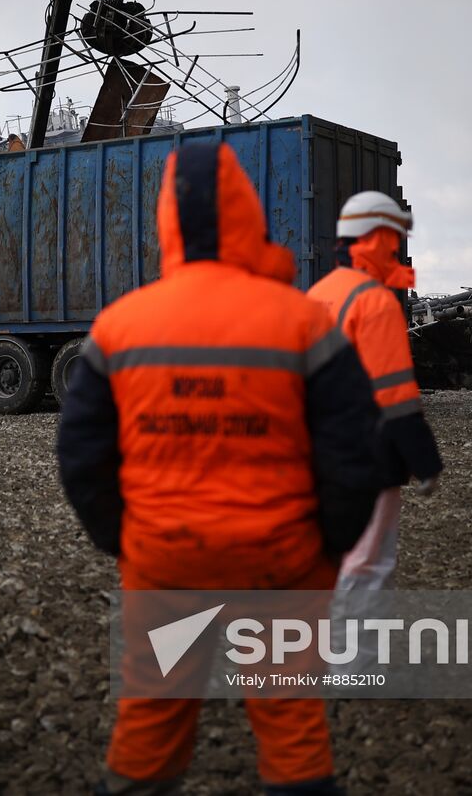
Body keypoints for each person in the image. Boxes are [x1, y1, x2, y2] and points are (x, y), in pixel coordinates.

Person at [57, 144, 384, 796]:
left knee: (151, 710)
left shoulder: (121, 326)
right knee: (291, 720)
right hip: (281, 563)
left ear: (166, 222)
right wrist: (326, 547)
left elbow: (81, 456)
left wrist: (127, 541)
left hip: (164, 563)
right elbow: (354, 450)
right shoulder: (302, 321)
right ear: (247, 211)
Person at [307, 191, 443, 671]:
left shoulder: (318, 295)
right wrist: (424, 462)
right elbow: (395, 396)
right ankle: (358, 665)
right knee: (367, 562)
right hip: (366, 457)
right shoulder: (374, 303)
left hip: (316, 454)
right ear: (378, 238)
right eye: (395, 239)